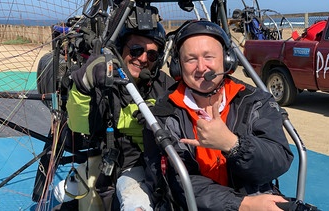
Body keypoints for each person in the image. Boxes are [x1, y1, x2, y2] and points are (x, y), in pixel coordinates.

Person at [143, 20, 294, 210]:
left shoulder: (255, 101)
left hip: (256, 199)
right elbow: (173, 183)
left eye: (209, 56)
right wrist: (242, 204)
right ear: (177, 66)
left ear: (227, 60)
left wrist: (232, 145)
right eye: (191, 59)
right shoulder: (163, 114)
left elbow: (278, 162)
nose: (201, 67)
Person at [68, 19, 176, 211]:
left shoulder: (163, 84)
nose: (143, 59)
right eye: (136, 50)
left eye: (151, 54)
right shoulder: (105, 81)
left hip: (164, 166)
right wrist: (83, 84)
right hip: (129, 168)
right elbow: (79, 125)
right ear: (121, 48)